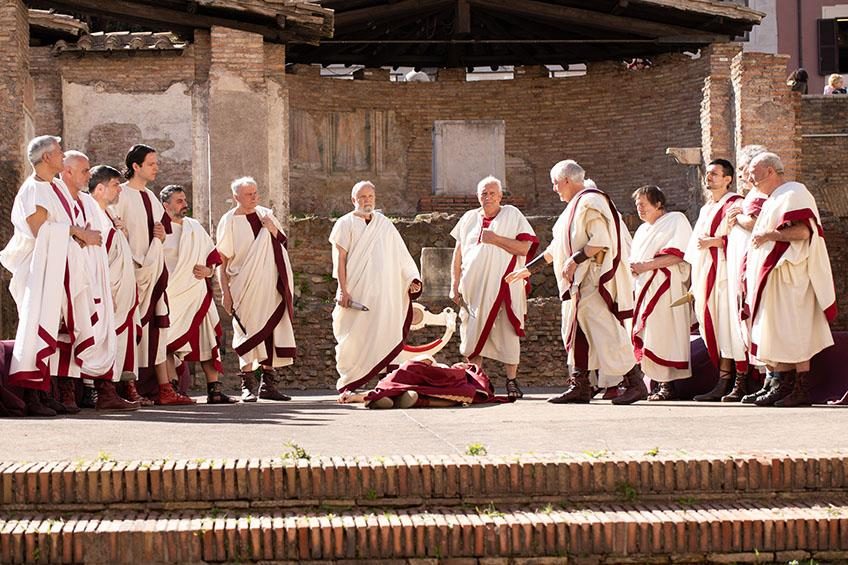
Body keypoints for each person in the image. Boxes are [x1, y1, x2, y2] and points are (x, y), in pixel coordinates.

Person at [506, 160, 646, 405]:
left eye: (555, 183)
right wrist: (526, 270)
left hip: (591, 279)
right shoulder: (573, 208)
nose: (554, 188)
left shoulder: (590, 202)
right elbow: (554, 249)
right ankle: (580, 385)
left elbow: (600, 240)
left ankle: (634, 382)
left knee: (606, 331)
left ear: (567, 180)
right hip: (578, 285)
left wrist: (573, 261)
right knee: (576, 332)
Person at [0, 136, 113, 416]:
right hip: (37, 271)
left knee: (53, 330)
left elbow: (60, 226)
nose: (63, 155)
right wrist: (78, 233)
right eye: (60, 152)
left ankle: (45, 393)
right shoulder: (33, 190)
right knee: (36, 331)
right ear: (47, 157)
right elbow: (41, 232)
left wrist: (78, 234)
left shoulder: (54, 188)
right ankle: (32, 397)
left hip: (56, 270)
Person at [743, 152, 836, 407]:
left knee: (795, 331)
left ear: (770, 170)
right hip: (775, 278)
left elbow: (804, 231)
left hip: (792, 276)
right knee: (776, 332)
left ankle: (800, 389)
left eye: (754, 171)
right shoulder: (773, 198)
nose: (750, 176)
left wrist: (768, 235)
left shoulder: (794, 191)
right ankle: (780, 385)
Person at [113, 144, 193, 405]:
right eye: (151, 163)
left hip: (154, 273)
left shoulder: (151, 198)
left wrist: (159, 238)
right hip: (130, 273)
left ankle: (164, 389)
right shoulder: (120, 196)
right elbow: (115, 230)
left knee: (159, 329)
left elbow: (163, 234)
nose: (156, 167)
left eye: (156, 163)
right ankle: (129, 387)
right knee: (130, 331)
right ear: (135, 166)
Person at [330, 180, 422, 395]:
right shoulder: (344, 223)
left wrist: (411, 278)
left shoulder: (384, 224)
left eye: (370, 196)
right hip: (356, 293)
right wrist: (343, 290)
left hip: (384, 295)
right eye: (362, 197)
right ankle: (350, 383)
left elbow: (401, 255)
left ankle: (385, 386)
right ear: (353, 200)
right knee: (353, 339)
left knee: (384, 334)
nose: (367, 200)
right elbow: (340, 260)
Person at [449, 176, 538, 399]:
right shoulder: (468, 218)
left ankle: (511, 381)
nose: (487, 197)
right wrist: (454, 283)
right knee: (472, 332)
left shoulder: (512, 215)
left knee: (507, 332)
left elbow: (524, 248)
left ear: (500, 195)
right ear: (477, 196)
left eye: (492, 193)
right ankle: (475, 380)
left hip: (504, 288)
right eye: (483, 194)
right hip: (473, 288)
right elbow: (458, 253)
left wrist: (496, 239)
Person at [216, 177, 295, 402]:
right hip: (243, 285)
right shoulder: (229, 220)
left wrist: (272, 230)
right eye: (249, 194)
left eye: (255, 193)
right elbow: (222, 259)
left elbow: (283, 244)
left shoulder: (266, 215)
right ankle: (247, 385)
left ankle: (268, 385)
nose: (254, 197)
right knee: (246, 331)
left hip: (270, 284)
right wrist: (225, 292)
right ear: (236, 197)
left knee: (271, 330)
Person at [160, 185, 236, 404]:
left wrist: (209, 271)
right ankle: (173, 389)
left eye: (184, 200)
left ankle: (214, 390)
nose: (185, 204)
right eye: (179, 201)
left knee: (208, 340)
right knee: (168, 343)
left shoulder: (195, 227)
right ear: (166, 205)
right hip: (171, 294)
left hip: (196, 293)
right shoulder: (159, 229)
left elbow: (212, 258)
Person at [684, 159, 746, 401]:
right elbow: (693, 247)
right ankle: (722, 382)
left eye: (714, 174)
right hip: (707, 273)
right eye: (707, 174)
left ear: (728, 179)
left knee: (731, 326)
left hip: (726, 275)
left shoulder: (736, 204)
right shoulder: (706, 208)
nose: (708, 178)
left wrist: (717, 242)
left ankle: (738, 382)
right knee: (716, 327)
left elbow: (743, 238)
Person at [86, 165, 142, 411]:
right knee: (102, 339)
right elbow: (95, 257)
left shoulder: (107, 214)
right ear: (99, 189)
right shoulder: (91, 214)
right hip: (105, 289)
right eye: (115, 185)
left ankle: (110, 389)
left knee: (114, 340)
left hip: (118, 290)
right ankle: (101, 391)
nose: (119, 189)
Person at [629, 186, 692, 401]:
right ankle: (655, 383)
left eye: (643, 205)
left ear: (658, 204)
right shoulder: (641, 230)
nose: (640, 209)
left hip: (666, 288)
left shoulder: (676, 220)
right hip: (643, 290)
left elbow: (680, 255)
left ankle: (668, 385)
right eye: (637, 205)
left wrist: (646, 266)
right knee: (650, 336)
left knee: (665, 334)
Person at [724, 145, 768, 401]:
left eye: (744, 169)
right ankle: (763, 380)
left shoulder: (758, 198)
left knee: (758, 320)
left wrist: (739, 215)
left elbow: (757, 224)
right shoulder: (748, 197)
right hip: (741, 267)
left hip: (754, 264)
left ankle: (768, 379)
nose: (743, 174)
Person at [337, 355, 511, 408]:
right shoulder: (434, 363)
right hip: (423, 372)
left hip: (437, 384)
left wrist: (462, 370)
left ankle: (383, 398)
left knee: (464, 395)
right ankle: (376, 397)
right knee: (410, 370)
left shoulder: (467, 378)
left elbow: (475, 388)